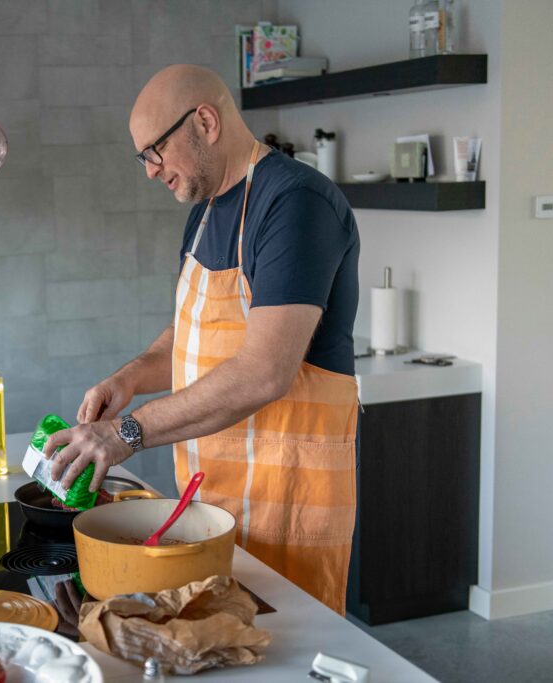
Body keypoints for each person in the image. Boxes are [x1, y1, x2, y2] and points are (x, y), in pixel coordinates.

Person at [43, 64, 360, 614]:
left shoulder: (295, 204)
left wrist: (126, 433)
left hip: (285, 501)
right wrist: (128, 380)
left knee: (277, 659)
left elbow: (265, 370)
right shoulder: (206, 209)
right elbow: (190, 337)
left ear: (205, 121)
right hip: (209, 496)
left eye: (154, 152)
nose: (150, 171)